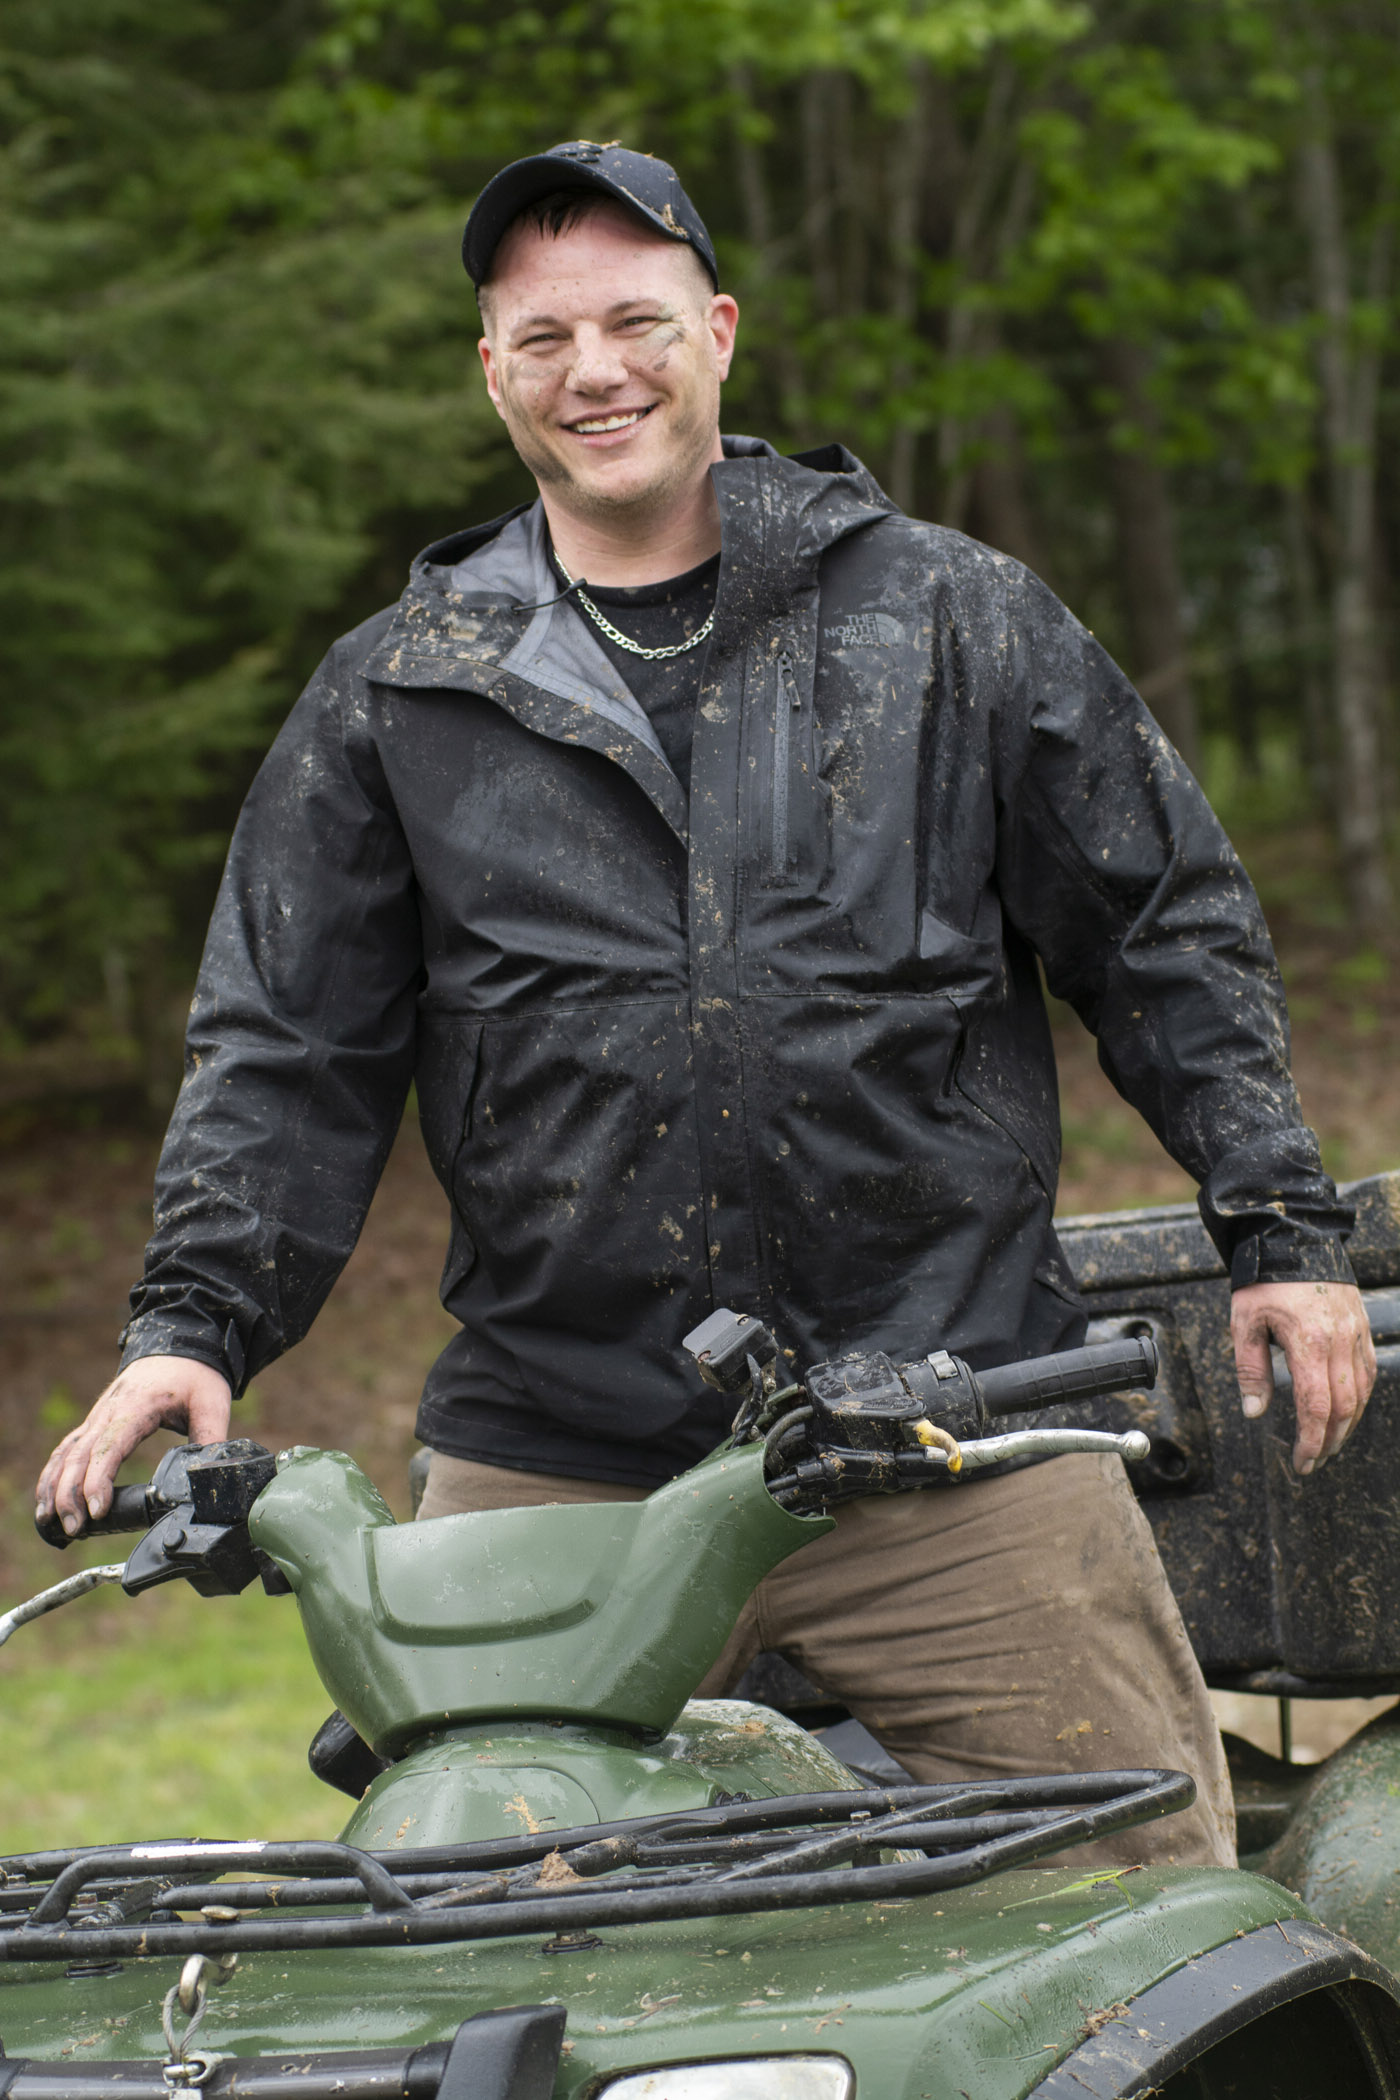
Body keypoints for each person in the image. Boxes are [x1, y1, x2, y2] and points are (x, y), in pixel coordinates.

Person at [37, 142, 1374, 1865]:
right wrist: (187, 1330)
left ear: (720, 332)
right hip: (565, 1462)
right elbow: (289, 1048)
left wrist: (1282, 1229)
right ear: (492, 373)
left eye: (637, 322)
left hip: (947, 1427)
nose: (595, 372)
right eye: (542, 340)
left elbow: (1165, 927)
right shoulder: (396, 693)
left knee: (1150, 1923)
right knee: (474, 1931)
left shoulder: (949, 621)